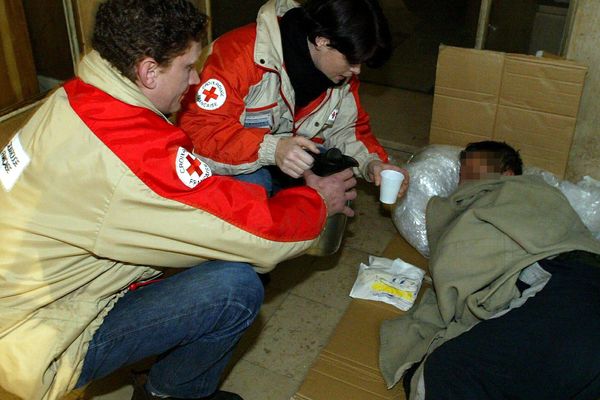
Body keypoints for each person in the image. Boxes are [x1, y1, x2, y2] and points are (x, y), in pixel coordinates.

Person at [0, 1, 358, 400]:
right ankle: (168, 394)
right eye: (188, 67)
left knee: (236, 200)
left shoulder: (75, 97)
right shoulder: (131, 156)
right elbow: (261, 235)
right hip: (37, 342)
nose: (195, 80)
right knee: (235, 288)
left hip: (29, 290)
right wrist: (317, 202)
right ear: (148, 71)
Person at [379, 141, 600, 399]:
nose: (463, 181)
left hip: (567, 279)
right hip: (552, 296)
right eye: (462, 174)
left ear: (507, 174)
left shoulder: (530, 194)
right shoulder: (465, 208)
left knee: (444, 375)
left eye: (472, 172)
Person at [177, 0, 409, 198]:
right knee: (254, 184)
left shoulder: (339, 75)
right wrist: (272, 149)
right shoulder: (238, 57)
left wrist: (373, 164)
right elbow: (198, 133)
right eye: (352, 60)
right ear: (322, 40)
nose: (357, 71)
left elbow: (350, 129)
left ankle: (285, 232)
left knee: (337, 182)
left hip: (281, 161)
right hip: (215, 165)